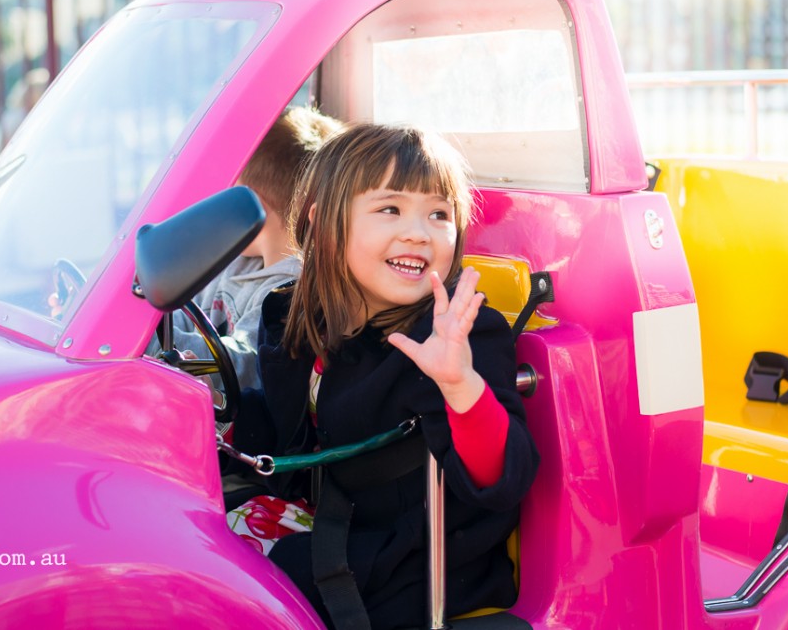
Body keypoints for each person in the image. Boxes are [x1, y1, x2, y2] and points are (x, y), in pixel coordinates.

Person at [228, 123, 540, 629]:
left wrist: (461, 386)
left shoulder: (456, 335)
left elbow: (501, 478)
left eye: (439, 214)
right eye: (390, 209)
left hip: (417, 563)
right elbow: (286, 425)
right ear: (324, 225)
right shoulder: (302, 317)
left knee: (224, 589)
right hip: (334, 523)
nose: (418, 231)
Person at [150, 106, 342, 392]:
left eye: (229, 191)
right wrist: (146, 315)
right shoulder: (237, 261)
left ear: (248, 206)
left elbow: (242, 365)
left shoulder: (288, 292)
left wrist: (152, 340)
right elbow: (181, 312)